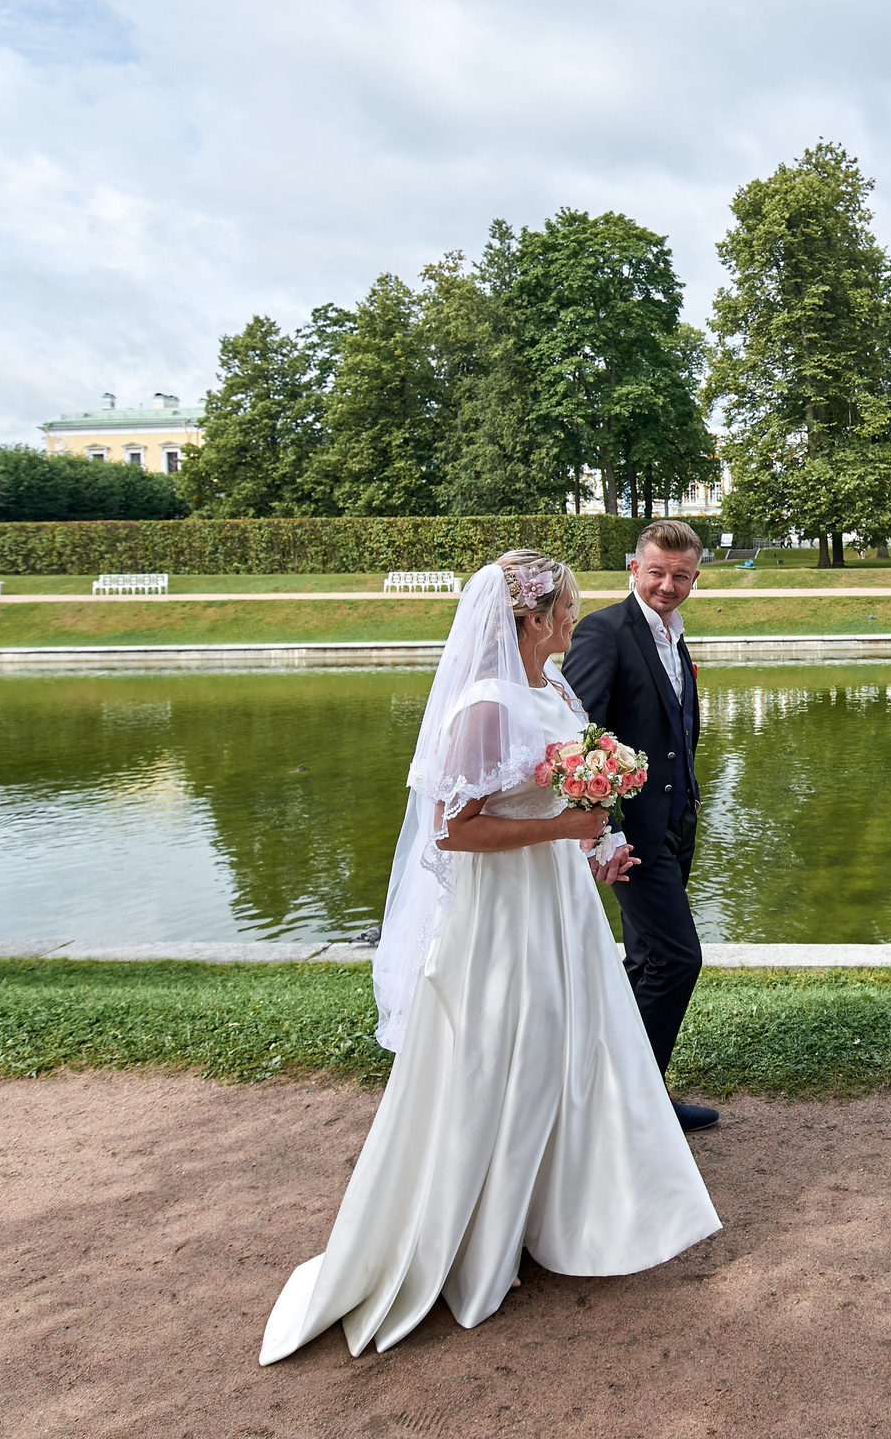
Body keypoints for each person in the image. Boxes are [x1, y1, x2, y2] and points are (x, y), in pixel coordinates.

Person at [259, 551, 719, 1363]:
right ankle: (482, 1235)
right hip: (502, 918)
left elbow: (568, 791)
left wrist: (597, 847)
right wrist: (562, 832)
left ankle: (569, 1208)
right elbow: (454, 828)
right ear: (534, 619)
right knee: (508, 1059)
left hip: (559, 906)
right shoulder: (481, 705)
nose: (577, 621)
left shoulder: (554, 689)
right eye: (568, 610)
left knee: (571, 1051)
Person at [562, 519, 717, 1132]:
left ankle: (603, 1089)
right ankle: (637, 1106)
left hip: (675, 826)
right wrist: (606, 833)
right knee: (678, 959)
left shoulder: (675, 636)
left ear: (695, 578)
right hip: (632, 836)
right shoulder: (604, 633)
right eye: (657, 572)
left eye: (680, 576)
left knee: (647, 960)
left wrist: (688, 809)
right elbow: (582, 742)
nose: (668, 585)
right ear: (634, 569)